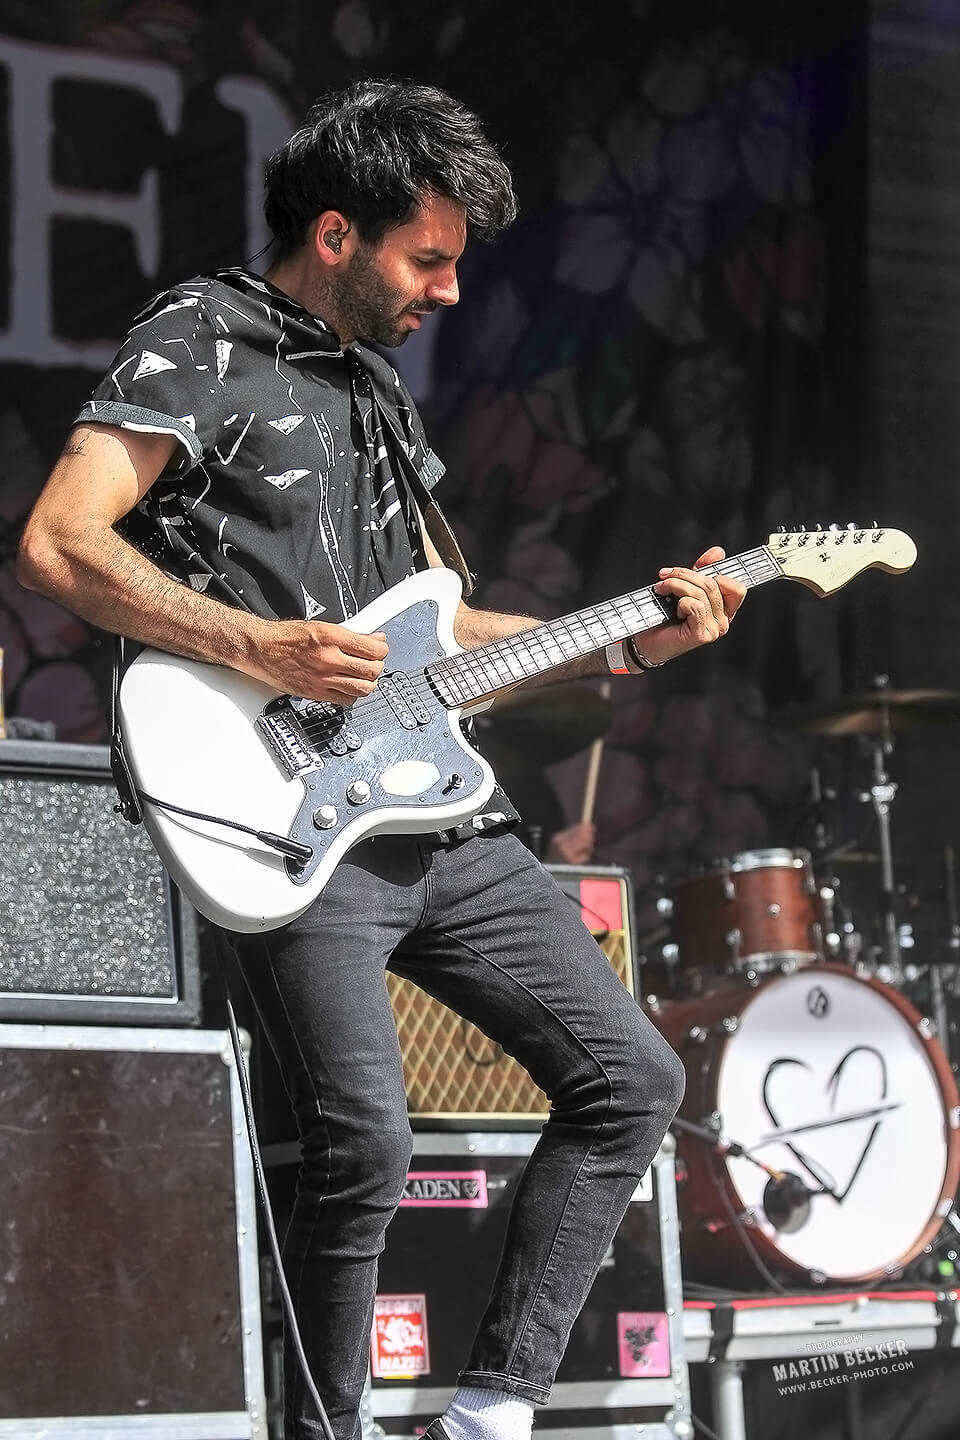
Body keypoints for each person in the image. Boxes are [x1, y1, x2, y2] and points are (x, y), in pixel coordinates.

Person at [17, 80, 745, 1440]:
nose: (451, 291)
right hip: (283, 809)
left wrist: (634, 643)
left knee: (635, 1080)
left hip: (435, 811)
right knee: (365, 1141)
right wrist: (259, 645)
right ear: (337, 234)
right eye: (431, 260)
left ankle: (490, 1415)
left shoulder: (376, 389)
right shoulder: (201, 335)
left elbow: (436, 630)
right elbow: (60, 541)